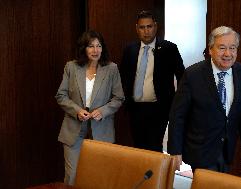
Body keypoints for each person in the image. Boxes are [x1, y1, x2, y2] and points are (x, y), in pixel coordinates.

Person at [167, 26, 241, 173]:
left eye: (232, 48)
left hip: (227, 150)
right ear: (210, 49)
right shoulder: (192, 75)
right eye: (222, 48)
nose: (228, 53)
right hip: (200, 151)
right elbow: (178, 115)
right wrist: (175, 151)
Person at [55, 30, 124, 185]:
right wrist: (77, 111)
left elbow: (119, 97)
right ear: (83, 49)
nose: (95, 50)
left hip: (101, 128)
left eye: (98, 46)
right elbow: (61, 95)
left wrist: (103, 111)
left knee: (100, 176)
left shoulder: (111, 68)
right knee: (72, 176)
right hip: (74, 128)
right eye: (91, 46)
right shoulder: (71, 67)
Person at [120, 10, 185, 152]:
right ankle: (141, 174)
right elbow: (123, 77)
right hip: (135, 108)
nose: (146, 31)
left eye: (149, 26)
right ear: (137, 28)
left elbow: (182, 77)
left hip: (159, 108)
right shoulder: (129, 50)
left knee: (155, 147)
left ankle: (155, 175)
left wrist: (177, 103)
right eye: (142, 27)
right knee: (138, 147)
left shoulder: (169, 48)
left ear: (155, 26)